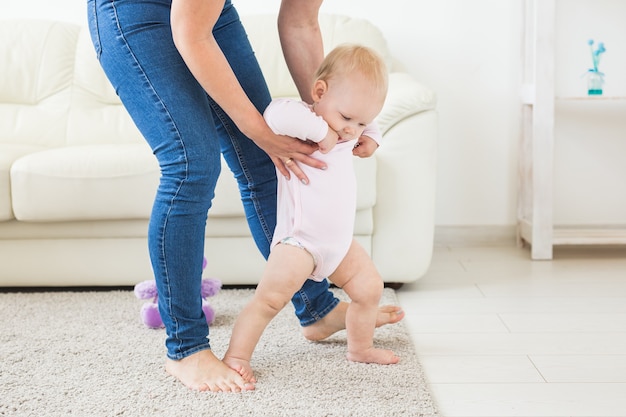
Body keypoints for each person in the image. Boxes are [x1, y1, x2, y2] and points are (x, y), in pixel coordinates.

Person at [87, 0, 403, 393]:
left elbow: (301, 22)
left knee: (278, 158)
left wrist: (329, 124)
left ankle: (317, 310)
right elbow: (190, 31)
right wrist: (260, 129)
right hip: (136, 11)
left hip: (206, 15)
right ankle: (186, 348)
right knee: (192, 163)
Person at [223, 45, 399, 383]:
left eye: (360, 122)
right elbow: (275, 113)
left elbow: (368, 122)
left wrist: (372, 137)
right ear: (319, 92)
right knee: (269, 300)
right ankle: (236, 356)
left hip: (338, 243)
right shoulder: (304, 121)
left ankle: (359, 348)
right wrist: (323, 133)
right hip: (299, 242)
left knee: (370, 288)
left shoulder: (352, 128)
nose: (351, 130)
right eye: (347, 118)